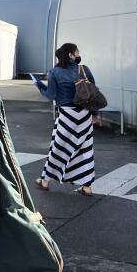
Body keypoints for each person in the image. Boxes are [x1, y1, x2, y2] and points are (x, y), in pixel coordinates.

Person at [34, 43, 98, 196]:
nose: (78, 54)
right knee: (85, 149)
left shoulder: (54, 72)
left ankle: (45, 181)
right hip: (84, 115)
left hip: (67, 116)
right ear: (70, 54)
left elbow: (50, 96)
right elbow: (93, 93)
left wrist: (39, 84)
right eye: (76, 52)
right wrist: (94, 114)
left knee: (58, 147)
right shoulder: (84, 69)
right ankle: (87, 187)